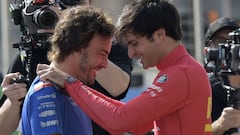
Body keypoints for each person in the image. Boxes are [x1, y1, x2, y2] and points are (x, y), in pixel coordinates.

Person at [36, 0, 212, 135]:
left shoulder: (180, 74)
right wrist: (73, 85)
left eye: (134, 43)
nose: (131, 54)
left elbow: (120, 120)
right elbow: (135, 123)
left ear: (159, 34)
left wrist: (70, 83)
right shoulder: (182, 69)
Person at [2, 0, 131, 134]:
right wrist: (13, 102)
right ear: (77, 47)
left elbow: (120, 97)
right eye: (63, 4)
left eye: (75, 2)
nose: (69, 11)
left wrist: (71, 83)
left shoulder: (107, 42)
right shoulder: (43, 84)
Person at [21, 5, 116, 135]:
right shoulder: (46, 92)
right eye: (101, 53)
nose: (105, 64)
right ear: (77, 47)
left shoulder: (74, 90)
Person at [204, 17, 240, 135]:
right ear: (207, 51)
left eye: (234, 42)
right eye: (220, 42)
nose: (228, 48)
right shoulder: (202, 88)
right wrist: (219, 125)